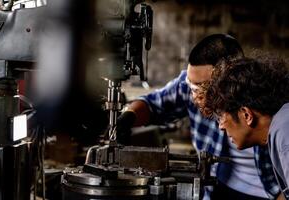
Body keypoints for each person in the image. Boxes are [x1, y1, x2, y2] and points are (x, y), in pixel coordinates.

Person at [116, 34, 282, 199]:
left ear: (229, 79)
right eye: (191, 86)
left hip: (268, 192)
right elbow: (152, 104)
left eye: (202, 87)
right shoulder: (190, 85)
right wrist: (129, 117)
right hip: (217, 186)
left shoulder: (267, 102)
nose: (194, 96)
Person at [202, 56, 289, 199]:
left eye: (222, 116)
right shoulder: (279, 126)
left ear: (246, 115)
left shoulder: (284, 133)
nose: (221, 126)